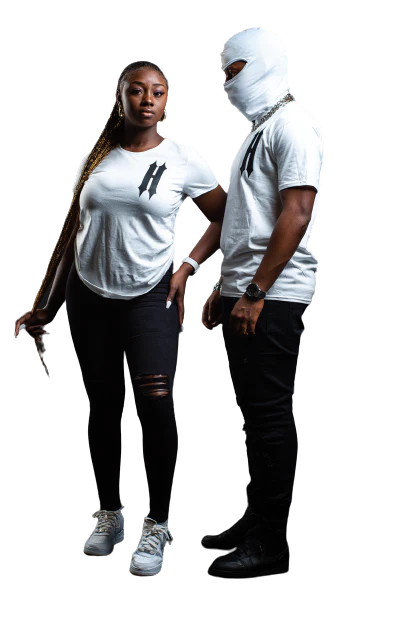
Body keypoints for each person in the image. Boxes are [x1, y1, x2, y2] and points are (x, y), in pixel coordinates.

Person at [14, 61, 226, 576]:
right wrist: (52, 303)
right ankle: (109, 514)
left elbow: (222, 215)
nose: (147, 99)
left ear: (166, 101)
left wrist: (190, 264)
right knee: (104, 409)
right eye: (137, 90)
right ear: (120, 97)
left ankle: (158, 522)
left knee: (155, 409)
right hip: (91, 300)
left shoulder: (184, 160)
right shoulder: (94, 159)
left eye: (157, 92)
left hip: (151, 297)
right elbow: (72, 239)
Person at [200, 28, 324, 576]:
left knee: (271, 418)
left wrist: (253, 292)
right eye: (225, 71)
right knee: (252, 415)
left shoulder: (294, 124)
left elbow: (296, 212)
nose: (230, 80)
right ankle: (261, 515)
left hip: (272, 297)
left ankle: (275, 536)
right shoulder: (258, 130)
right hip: (243, 294)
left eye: (237, 67)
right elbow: (240, 219)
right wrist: (221, 287)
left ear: (269, 61)